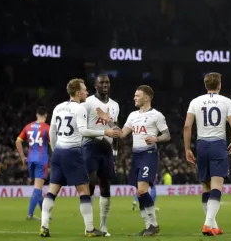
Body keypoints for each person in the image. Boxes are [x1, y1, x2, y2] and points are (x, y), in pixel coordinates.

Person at [40, 78, 121, 237]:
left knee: (52, 191)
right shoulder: (80, 108)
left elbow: (51, 132)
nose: (86, 92)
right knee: (84, 191)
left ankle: (44, 225)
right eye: (84, 90)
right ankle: (90, 229)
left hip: (58, 153)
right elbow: (84, 131)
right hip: (73, 152)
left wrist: (55, 150)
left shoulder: (58, 107)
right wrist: (105, 132)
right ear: (78, 93)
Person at [97, 85, 170, 236]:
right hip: (136, 156)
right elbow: (122, 134)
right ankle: (148, 225)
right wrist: (107, 120)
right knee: (139, 192)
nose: (134, 98)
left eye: (137, 95)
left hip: (149, 154)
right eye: (135, 95)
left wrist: (156, 138)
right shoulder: (132, 115)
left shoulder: (156, 115)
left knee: (142, 190)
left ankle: (154, 225)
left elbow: (167, 135)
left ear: (147, 98)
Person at [183, 72, 231, 236]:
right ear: (219, 85)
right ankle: (208, 224)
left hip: (201, 144)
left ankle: (213, 225)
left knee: (206, 186)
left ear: (205, 85)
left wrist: (187, 148)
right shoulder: (226, 102)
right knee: (217, 186)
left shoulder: (195, 101)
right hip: (217, 144)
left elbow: (187, 127)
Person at [81, 74, 120, 236]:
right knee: (90, 183)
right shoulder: (88, 102)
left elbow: (116, 129)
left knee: (106, 185)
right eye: (101, 82)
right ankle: (89, 226)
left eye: (107, 82)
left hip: (107, 149)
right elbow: (81, 127)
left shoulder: (115, 105)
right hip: (90, 146)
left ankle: (103, 226)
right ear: (95, 85)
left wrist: (115, 153)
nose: (105, 85)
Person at [16, 107, 50, 220]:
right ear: (46, 115)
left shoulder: (28, 127)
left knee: (38, 187)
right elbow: (52, 144)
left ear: (36, 115)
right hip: (41, 159)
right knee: (38, 187)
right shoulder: (47, 128)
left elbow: (18, 141)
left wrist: (22, 157)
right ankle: (30, 214)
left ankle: (45, 213)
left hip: (30, 159)